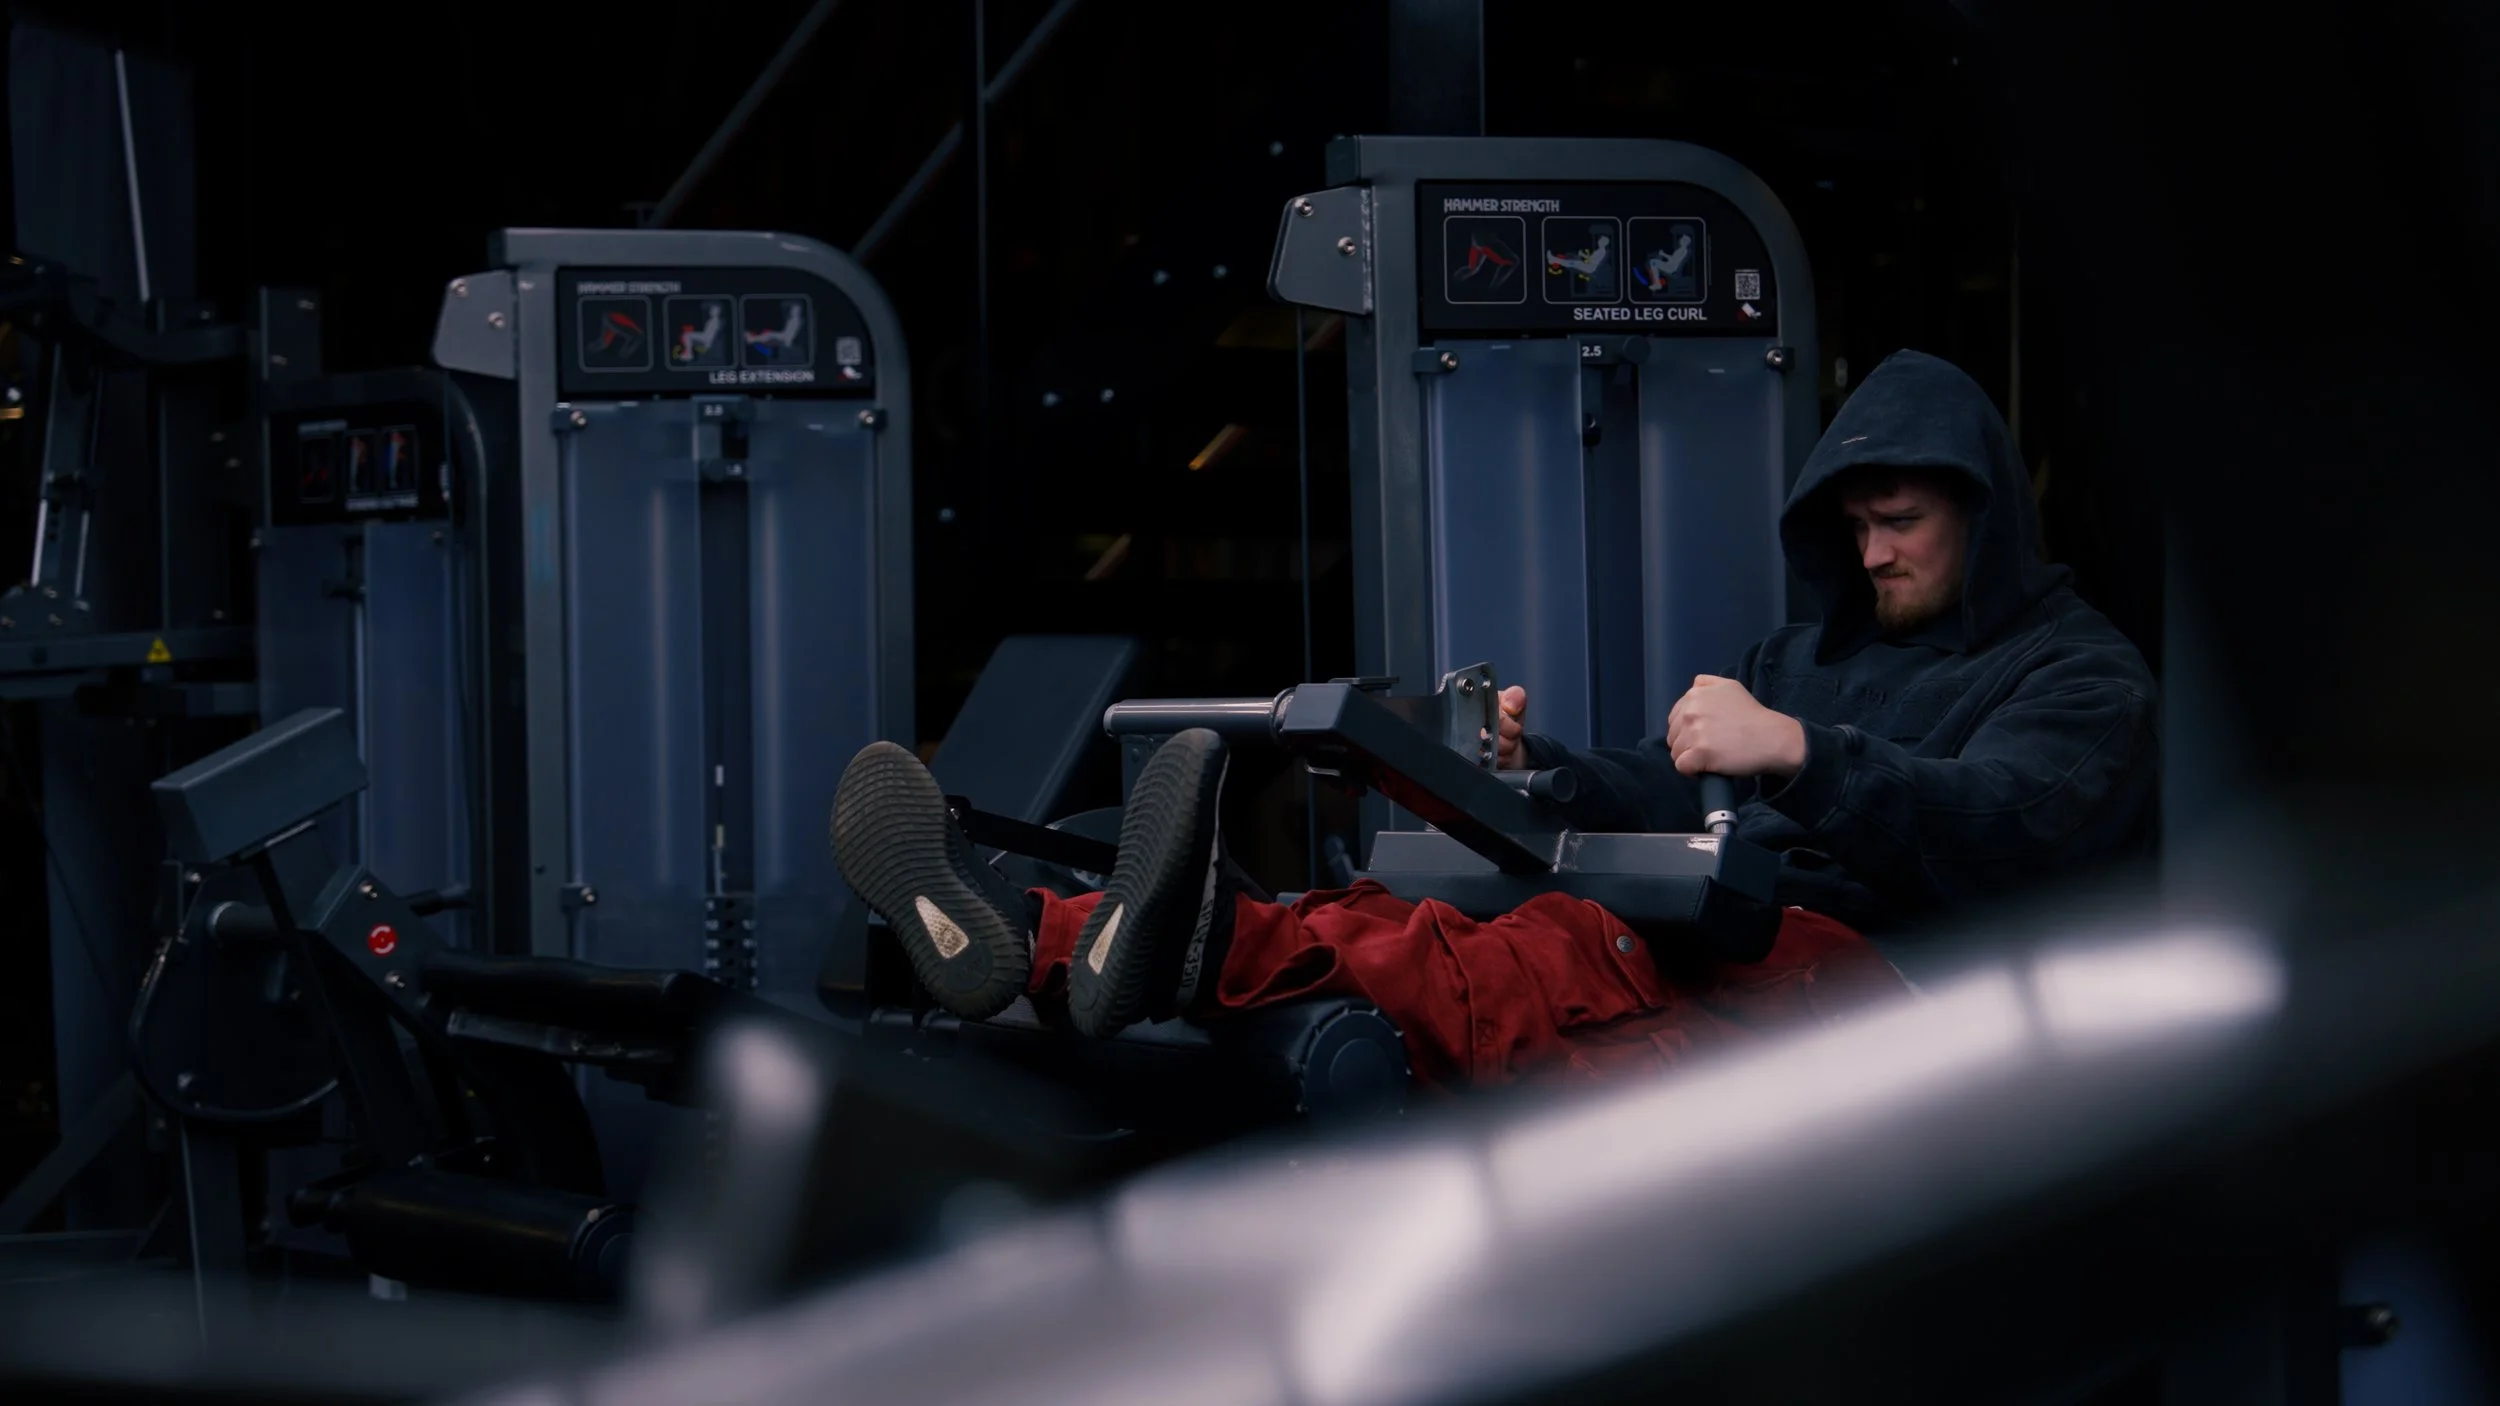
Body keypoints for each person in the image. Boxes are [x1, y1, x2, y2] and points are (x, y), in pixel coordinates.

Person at [830, 350, 2158, 1091]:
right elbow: (1659, 781)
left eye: (1902, 522)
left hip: (1894, 979)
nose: (1871, 554)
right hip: (1726, 929)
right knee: (1438, 933)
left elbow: (2012, 832)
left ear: (1984, 512)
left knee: (1519, 972)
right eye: (1855, 526)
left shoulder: (2079, 674)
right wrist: (1543, 768)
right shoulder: (1807, 648)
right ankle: (1048, 937)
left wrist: (1805, 755)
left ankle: (1155, 936)